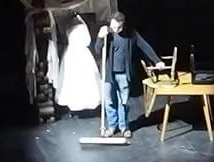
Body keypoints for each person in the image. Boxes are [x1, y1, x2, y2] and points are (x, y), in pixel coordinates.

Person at [96, 11, 161, 139]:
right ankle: (111, 126)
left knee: (123, 102)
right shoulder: (107, 33)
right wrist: (99, 37)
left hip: (123, 74)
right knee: (109, 101)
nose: (116, 30)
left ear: (123, 24)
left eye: (119, 27)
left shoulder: (131, 34)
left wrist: (157, 61)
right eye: (113, 27)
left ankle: (124, 126)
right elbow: (97, 50)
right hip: (108, 74)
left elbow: (145, 46)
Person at [55, 18, 102, 115]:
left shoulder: (68, 28)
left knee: (73, 80)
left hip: (72, 53)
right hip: (81, 53)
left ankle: (75, 106)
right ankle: (85, 104)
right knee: (83, 79)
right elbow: (87, 40)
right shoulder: (83, 27)